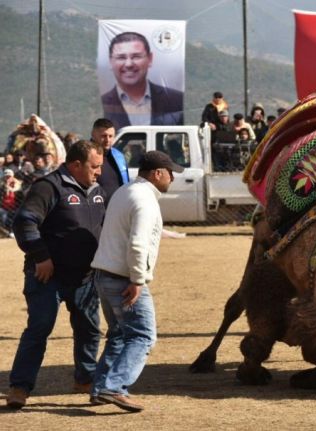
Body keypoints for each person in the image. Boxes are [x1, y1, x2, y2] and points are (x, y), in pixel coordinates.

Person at [5, 141, 106, 410]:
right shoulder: (48, 187)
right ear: (75, 165)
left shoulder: (98, 191)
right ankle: (19, 388)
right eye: (94, 167)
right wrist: (41, 257)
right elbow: (25, 222)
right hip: (47, 277)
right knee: (39, 330)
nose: (99, 172)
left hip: (86, 277)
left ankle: (85, 380)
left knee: (89, 330)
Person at [90, 151, 183, 412]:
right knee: (143, 335)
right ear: (157, 174)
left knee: (119, 334)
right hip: (123, 279)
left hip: (104, 275)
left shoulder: (125, 191)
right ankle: (114, 387)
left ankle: (100, 388)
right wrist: (137, 278)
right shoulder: (145, 200)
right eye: (170, 172)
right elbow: (138, 243)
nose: (173, 178)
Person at [101, 32, 184, 130]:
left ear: (150, 59)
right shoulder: (101, 104)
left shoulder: (177, 100)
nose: (128, 64)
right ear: (111, 61)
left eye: (136, 56)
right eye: (121, 57)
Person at [92, 118, 129, 203]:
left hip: (117, 209)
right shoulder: (84, 155)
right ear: (93, 134)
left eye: (110, 136)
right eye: (103, 136)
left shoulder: (119, 157)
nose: (107, 140)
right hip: (93, 209)